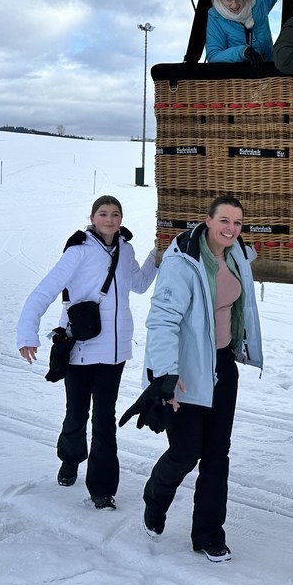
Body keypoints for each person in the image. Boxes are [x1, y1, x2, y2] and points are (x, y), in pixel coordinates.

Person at [119, 195, 264, 563]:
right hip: (185, 371)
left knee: (217, 454)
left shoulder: (236, 254)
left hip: (223, 366)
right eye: (224, 221)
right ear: (208, 220)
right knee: (186, 452)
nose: (231, 229)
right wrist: (164, 374)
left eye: (237, 223)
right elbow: (162, 320)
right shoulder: (182, 262)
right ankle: (156, 496)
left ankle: (209, 535)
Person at [16, 195, 157, 510]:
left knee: (105, 419)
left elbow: (139, 284)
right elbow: (43, 291)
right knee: (77, 414)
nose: (109, 219)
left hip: (114, 352)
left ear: (121, 219)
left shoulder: (126, 250)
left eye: (115, 214)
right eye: (103, 213)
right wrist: (27, 333)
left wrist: (156, 253)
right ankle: (70, 459)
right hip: (80, 348)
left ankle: (102, 489)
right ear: (93, 218)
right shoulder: (78, 251)